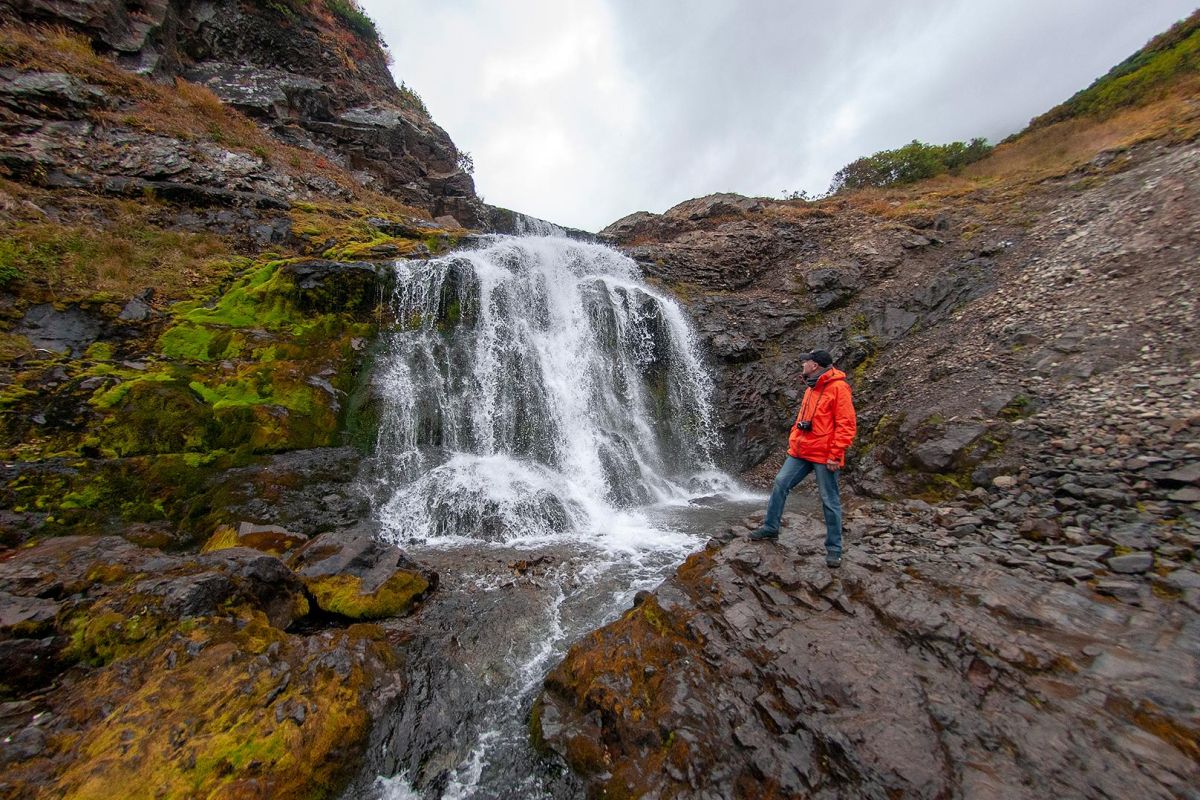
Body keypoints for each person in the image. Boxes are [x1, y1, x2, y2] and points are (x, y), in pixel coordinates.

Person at [750, 349, 857, 568]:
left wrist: (836, 454)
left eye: (805, 362)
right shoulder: (811, 387)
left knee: (829, 499)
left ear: (814, 365)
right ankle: (770, 527)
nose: (802, 365)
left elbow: (846, 425)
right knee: (780, 483)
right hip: (801, 451)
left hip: (825, 454)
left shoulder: (839, 388)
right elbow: (803, 418)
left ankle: (834, 549)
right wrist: (794, 439)